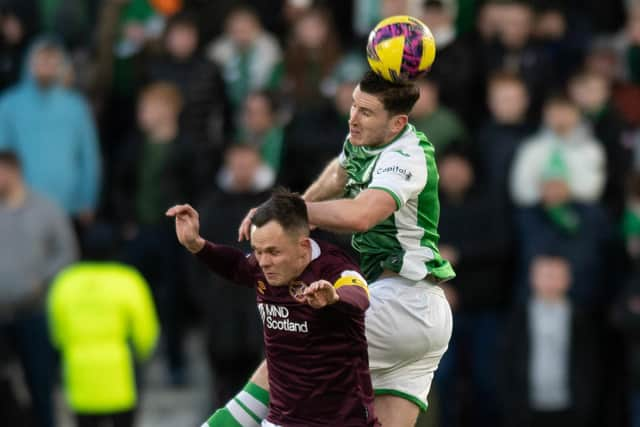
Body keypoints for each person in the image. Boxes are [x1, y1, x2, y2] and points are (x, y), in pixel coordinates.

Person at [232, 70, 455, 427]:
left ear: (397, 123)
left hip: (401, 301)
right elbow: (339, 174)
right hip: (418, 312)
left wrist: (289, 213)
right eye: (354, 105)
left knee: (291, 346)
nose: (353, 117)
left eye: (366, 112)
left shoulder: (407, 155)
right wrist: (295, 216)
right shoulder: (363, 142)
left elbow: (363, 214)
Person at [167, 189, 379, 427]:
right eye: (258, 251)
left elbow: (359, 294)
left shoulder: (334, 269)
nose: (264, 262)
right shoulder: (263, 268)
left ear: (303, 246)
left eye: (273, 252)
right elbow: (237, 265)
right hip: (282, 420)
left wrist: (334, 297)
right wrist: (197, 245)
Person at [47, 225, 160, 427]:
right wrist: (142, 354)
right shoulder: (127, 279)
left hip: (79, 371)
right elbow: (146, 330)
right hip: (121, 372)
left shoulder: (65, 282)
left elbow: (56, 331)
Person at [0, 149, 78, 427]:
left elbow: (67, 252)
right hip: (1, 313)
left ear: (12, 171)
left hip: (35, 311)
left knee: (40, 382)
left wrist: (42, 280)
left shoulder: (46, 208)